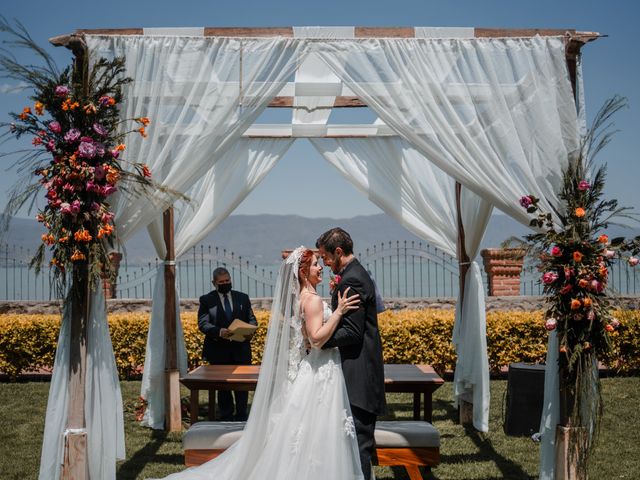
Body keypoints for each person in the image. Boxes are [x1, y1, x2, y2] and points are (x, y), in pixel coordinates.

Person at [163, 247, 363, 479]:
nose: (321, 268)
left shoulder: (302, 298)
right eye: (316, 264)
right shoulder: (313, 300)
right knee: (318, 427)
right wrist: (338, 312)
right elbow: (317, 339)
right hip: (320, 367)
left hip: (317, 367)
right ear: (303, 271)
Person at [316, 227, 387, 480]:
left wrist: (318, 341)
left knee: (359, 445)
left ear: (338, 252)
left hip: (360, 376)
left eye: (325, 257)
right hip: (356, 372)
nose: (323, 264)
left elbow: (353, 333)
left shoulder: (352, 279)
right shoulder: (352, 274)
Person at [198, 267, 257, 421]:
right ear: (214, 283)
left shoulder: (243, 298)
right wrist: (219, 332)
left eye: (227, 281)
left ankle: (242, 415)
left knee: (242, 387)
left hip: (241, 349)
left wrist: (249, 330)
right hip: (218, 351)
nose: (225, 284)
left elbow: (252, 319)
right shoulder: (206, 300)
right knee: (223, 388)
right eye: (221, 282)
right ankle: (226, 416)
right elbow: (203, 324)